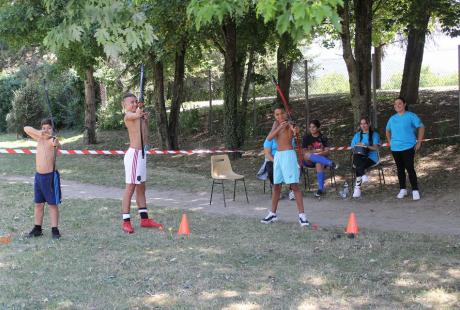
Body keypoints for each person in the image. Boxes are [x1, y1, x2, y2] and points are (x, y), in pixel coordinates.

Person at [261, 105, 309, 226]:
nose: (280, 116)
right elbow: (270, 137)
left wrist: (294, 130)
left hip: (288, 155)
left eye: (282, 113)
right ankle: (272, 213)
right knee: (276, 186)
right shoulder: (276, 124)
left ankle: (302, 216)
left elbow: (295, 131)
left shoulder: (289, 124)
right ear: (274, 116)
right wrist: (278, 127)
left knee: (294, 186)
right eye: (277, 115)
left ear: (286, 114)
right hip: (278, 157)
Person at [121, 93, 163, 233]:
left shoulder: (139, 115)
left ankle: (144, 219)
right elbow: (131, 116)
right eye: (131, 102)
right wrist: (138, 113)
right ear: (125, 106)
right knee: (130, 188)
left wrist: (145, 119)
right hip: (133, 156)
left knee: (141, 188)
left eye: (135, 101)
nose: (134, 104)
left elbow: (145, 133)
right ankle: (126, 221)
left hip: (142, 155)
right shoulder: (128, 116)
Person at [24, 119, 62, 239]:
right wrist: (40, 133)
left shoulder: (52, 140)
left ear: (53, 129)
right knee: (38, 204)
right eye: (43, 127)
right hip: (38, 177)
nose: (46, 130)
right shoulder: (39, 138)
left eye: (49, 128)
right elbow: (26, 128)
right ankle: (37, 229)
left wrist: (55, 140)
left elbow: (58, 144)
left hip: (50, 177)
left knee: (52, 204)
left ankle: (55, 230)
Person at [386, 97, 425, 200]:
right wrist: (390, 142)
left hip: (408, 146)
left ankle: (415, 189)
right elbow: (387, 130)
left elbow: (421, 127)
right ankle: (403, 189)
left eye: (399, 103)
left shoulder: (411, 116)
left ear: (404, 104)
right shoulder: (392, 118)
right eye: (395, 104)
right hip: (395, 148)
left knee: (409, 167)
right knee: (400, 169)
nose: (397, 105)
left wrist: (419, 142)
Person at [302, 120, 338, 198]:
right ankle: (330, 163)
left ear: (318, 128)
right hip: (309, 160)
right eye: (310, 127)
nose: (311, 129)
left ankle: (320, 190)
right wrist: (315, 151)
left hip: (320, 159)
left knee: (318, 163)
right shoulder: (306, 137)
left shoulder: (323, 138)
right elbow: (304, 151)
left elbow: (327, 151)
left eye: (314, 127)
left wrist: (319, 154)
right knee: (307, 155)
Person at [350, 117, 381, 198]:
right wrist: (358, 146)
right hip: (359, 156)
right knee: (356, 156)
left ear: (369, 124)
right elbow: (353, 148)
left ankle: (357, 188)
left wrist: (365, 146)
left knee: (358, 164)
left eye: (365, 123)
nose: (363, 125)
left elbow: (375, 148)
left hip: (372, 158)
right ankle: (363, 175)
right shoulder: (357, 135)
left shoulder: (374, 134)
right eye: (361, 124)